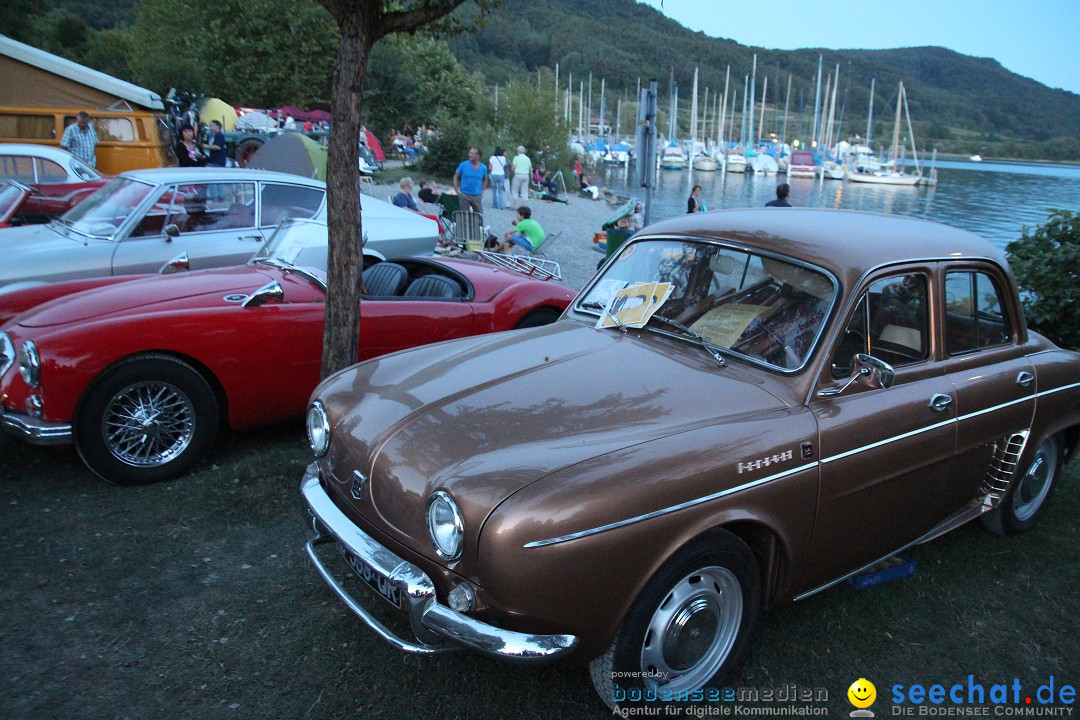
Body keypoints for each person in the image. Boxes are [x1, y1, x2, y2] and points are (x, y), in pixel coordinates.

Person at [453, 146, 488, 214]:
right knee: (464, 216)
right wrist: (457, 189)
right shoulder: (463, 165)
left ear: (478, 156)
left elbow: (485, 179)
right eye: (470, 153)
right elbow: (456, 176)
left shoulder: (483, 168)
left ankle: (477, 225)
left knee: (479, 216)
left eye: (472, 153)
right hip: (464, 195)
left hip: (477, 196)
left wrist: (482, 191)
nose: (470, 155)